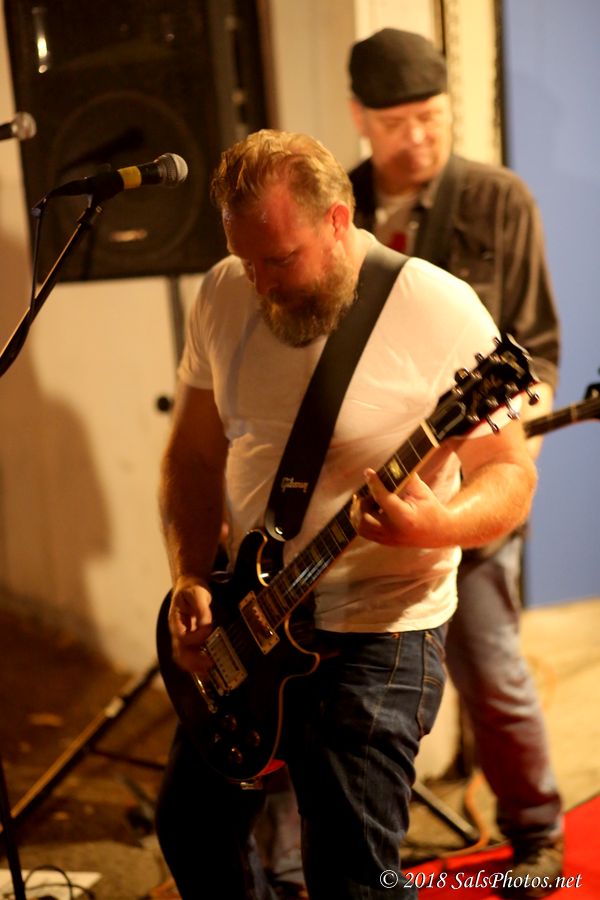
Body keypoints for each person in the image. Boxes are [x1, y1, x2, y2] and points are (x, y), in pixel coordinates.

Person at [155, 128, 537, 899]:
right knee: (191, 830)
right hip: (250, 617)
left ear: (337, 219)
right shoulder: (224, 291)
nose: (260, 282)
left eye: (279, 259)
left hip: (379, 633)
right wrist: (191, 575)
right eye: (245, 259)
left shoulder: (437, 308)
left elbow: (510, 473)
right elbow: (192, 455)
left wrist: (436, 526)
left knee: (353, 877)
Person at [346, 28, 562, 897]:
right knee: (335, 688)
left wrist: (503, 452)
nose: (418, 137)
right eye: (396, 121)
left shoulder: (499, 199)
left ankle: (537, 834)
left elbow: (539, 348)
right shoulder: (338, 205)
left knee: (490, 665)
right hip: (363, 496)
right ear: (359, 117)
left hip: (470, 488)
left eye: (431, 116)